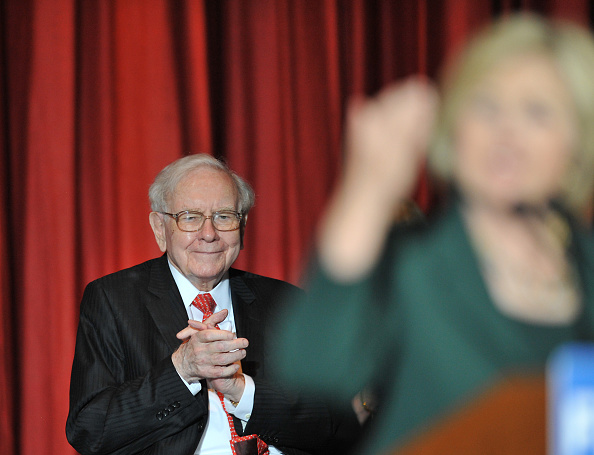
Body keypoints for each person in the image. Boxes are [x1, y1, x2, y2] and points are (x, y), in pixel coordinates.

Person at [272, 14, 594, 455]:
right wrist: (366, 191)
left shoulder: (586, 265)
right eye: (486, 106)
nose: (505, 133)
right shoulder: (415, 267)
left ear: (578, 139)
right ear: (454, 126)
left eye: (536, 112)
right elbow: (313, 365)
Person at [66, 154, 360, 455]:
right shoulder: (114, 299)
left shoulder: (287, 303)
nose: (209, 234)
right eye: (190, 217)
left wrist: (244, 392)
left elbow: (338, 422)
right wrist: (182, 370)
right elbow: (90, 430)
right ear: (159, 228)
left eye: (224, 216)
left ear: (242, 227)